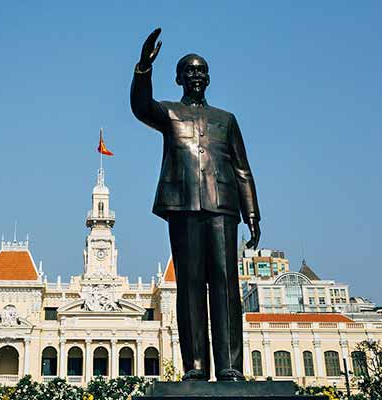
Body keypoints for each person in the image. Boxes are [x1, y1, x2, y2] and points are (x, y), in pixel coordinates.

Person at [130, 28, 261, 382]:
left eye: (201, 70)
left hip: (223, 207)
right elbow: (140, 107)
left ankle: (231, 365)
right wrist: (143, 67)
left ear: (209, 77)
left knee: (225, 283)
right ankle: (196, 366)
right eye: (189, 70)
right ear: (178, 78)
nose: (196, 75)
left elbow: (242, 168)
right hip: (183, 204)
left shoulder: (225, 119)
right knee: (189, 284)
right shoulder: (169, 113)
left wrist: (252, 213)